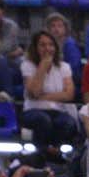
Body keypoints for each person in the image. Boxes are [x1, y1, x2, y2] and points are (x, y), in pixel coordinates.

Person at [20, 31, 80, 161]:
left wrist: (43, 96)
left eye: (51, 45)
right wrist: (43, 66)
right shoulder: (28, 65)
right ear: (35, 48)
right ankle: (44, 153)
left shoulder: (64, 67)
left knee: (67, 123)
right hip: (33, 110)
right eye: (42, 45)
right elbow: (34, 92)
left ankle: (55, 152)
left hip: (58, 111)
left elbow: (69, 95)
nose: (47, 48)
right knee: (43, 120)